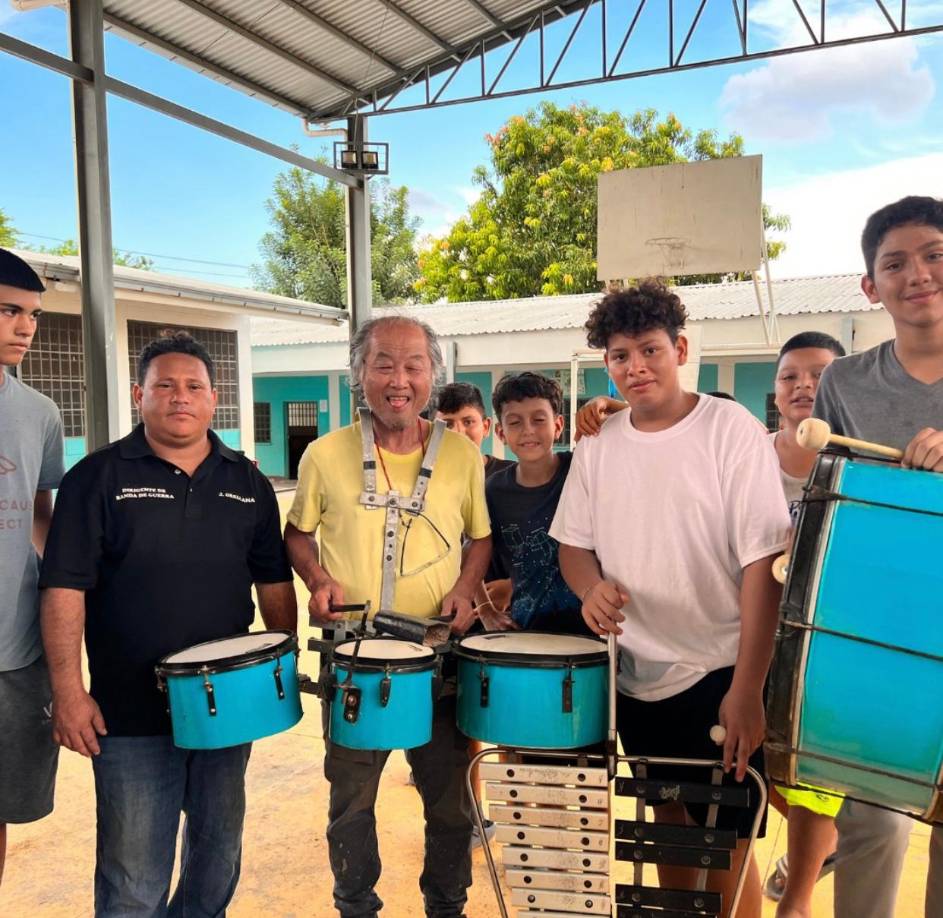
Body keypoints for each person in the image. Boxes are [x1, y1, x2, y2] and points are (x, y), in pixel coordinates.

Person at [550, 280, 790, 918]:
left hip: (717, 671)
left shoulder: (729, 428)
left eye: (650, 350)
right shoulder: (599, 443)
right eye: (620, 355)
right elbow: (574, 547)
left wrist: (746, 687)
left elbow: (763, 567)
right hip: (634, 676)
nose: (636, 367)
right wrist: (589, 587)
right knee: (665, 822)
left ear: (681, 349)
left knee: (728, 840)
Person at [39, 331, 296, 917]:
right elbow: (63, 589)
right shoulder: (96, 478)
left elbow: (274, 583)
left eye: (194, 387)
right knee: (134, 877)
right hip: (130, 713)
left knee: (217, 860)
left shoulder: (247, 482)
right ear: (139, 394)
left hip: (230, 707)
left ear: (214, 400)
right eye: (165, 385)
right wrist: (68, 692)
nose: (180, 397)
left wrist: (279, 669)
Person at [284, 315, 491, 918]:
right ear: (359, 373)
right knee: (350, 803)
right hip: (353, 659)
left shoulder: (463, 457)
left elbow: (479, 539)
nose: (398, 380)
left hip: (439, 657)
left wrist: (466, 587)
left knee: (450, 803)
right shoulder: (324, 455)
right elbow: (297, 536)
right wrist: (318, 578)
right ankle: (355, 905)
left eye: (413, 366)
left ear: (432, 375)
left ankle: (447, 906)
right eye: (383, 364)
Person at [810, 196, 943, 918]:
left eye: (932, 254)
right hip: (879, 630)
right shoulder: (845, 382)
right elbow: (828, 499)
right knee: (873, 819)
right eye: (894, 263)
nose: (916, 274)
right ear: (870, 287)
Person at [765, 331, 846, 918]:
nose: (803, 386)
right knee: (758, 762)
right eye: (790, 375)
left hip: (824, 640)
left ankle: (797, 899)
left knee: (811, 773)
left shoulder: (860, 458)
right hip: (755, 629)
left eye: (817, 373)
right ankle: (824, 845)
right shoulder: (749, 451)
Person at [0, 249, 64, 888]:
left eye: (33, 315)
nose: (25, 328)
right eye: (8, 310)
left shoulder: (39, 412)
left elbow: (40, 512)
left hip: (15, 649)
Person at [486, 371, 587, 634]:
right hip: (525, 631)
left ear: (559, 425)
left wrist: (606, 406)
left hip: (592, 629)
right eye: (515, 422)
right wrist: (484, 608)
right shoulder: (493, 491)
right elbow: (473, 550)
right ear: (500, 432)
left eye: (539, 419)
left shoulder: (582, 468)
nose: (528, 430)